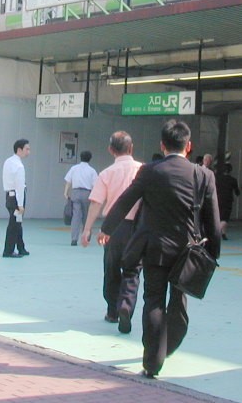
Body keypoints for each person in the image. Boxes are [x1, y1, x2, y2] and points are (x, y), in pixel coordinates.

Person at [97, 120, 220, 378]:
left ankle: (152, 362)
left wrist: (107, 228)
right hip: (188, 251)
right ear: (189, 146)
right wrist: (213, 254)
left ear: (162, 145)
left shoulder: (150, 171)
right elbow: (212, 220)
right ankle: (170, 344)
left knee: (153, 301)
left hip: (154, 248)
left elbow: (125, 200)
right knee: (179, 301)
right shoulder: (203, 175)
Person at [81, 131, 142, 333]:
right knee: (132, 270)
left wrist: (87, 229)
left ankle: (112, 311)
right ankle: (127, 305)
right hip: (137, 228)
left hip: (112, 228)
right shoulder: (143, 170)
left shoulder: (106, 173)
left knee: (112, 268)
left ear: (110, 150)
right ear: (131, 148)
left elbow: (96, 203)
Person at [2, 138, 31, 258]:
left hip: (9, 195)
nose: (29, 152)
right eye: (27, 149)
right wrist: (20, 204)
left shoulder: (8, 161)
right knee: (14, 224)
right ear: (19, 150)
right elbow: (19, 186)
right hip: (16, 198)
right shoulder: (19, 166)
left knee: (17, 222)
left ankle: (21, 247)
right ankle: (8, 250)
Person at [63, 150, 97, 246]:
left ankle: (74, 239)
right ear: (90, 159)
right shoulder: (92, 170)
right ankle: (87, 237)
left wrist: (66, 192)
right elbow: (95, 185)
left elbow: (68, 181)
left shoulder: (74, 168)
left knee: (76, 216)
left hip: (75, 192)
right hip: (87, 193)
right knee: (87, 215)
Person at [214, 162, 239, 241]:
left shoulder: (217, 179)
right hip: (227, 200)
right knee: (225, 219)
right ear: (230, 170)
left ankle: (223, 233)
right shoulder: (233, 180)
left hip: (217, 199)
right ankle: (217, 232)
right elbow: (237, 192)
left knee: (219, 216)